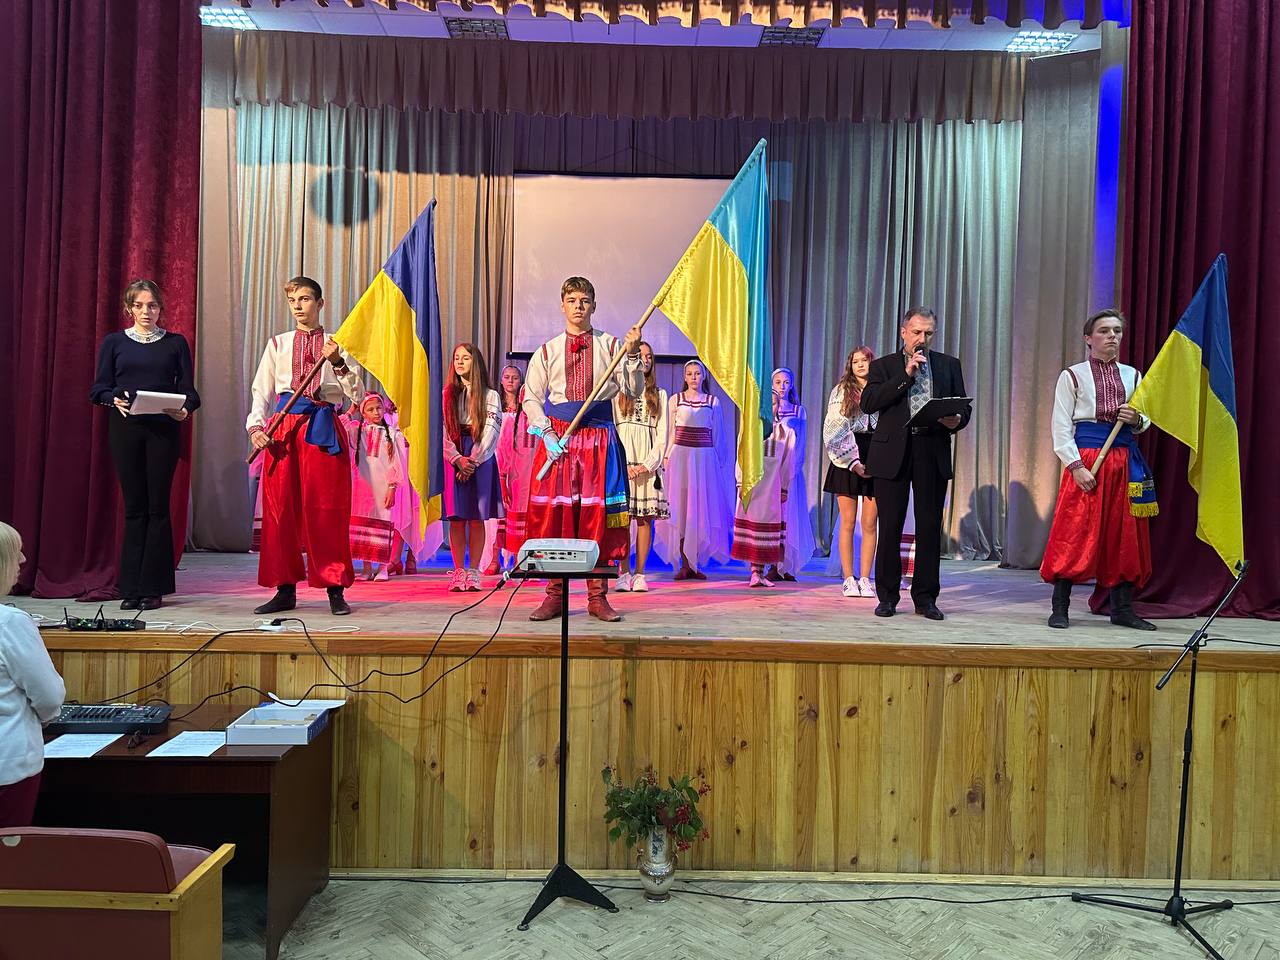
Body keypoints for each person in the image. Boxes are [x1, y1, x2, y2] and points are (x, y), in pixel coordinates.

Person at [519, 277, 643, 622]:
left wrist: (633, 354)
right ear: (562, 305)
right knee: (557, 516)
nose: (578, 306)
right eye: (572, 300)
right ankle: (555, 595)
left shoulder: (612, 345)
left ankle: (597, 597)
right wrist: (546, 433)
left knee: (597, 516)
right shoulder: (547, 350)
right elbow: (531, 398)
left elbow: (633, 390)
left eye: (585, 300)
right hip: (560, 441)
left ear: (594, 306)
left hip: (600, 440)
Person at [247, 276, 363, 616]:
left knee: (327, 509)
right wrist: (256, 427)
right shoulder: (278, 344)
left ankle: (335, 587)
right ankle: (284, 588)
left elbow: (357, 394)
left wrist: (338, 362)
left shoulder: (337, 344)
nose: (298, 306)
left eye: (305, 299)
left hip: (322, 428)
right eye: (293, 300)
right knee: (280, 508)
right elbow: (261, 391)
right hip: (284, 429)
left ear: (320, 303)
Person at [1040, 309, 1158, 630]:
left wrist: (1137, 419)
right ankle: (1060, 607)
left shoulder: (1133, 376)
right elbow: (1061, 426)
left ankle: (1122, 609)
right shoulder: (1072, 376)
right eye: (1104, 331)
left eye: (1117, 331)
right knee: (1074, 530)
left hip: (1124, 461)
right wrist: (1076, 466)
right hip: (1088, 460)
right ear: (1088, 338)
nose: (1112, 336)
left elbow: (1146, 419)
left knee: (1125, 533)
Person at [89, 280, 200, 611]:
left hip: (163, 431)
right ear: (129, 309)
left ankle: (153, 588)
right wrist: (113, 398)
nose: (146, 311)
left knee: (157, 508)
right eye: (139, 305)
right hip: (126, 430)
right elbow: (98, 389)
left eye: (152, 305)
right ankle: (131, 586)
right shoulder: (114, 342)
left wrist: (184, 409)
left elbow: (191, 394)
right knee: (135, 507)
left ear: (160, 308)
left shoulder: (175, 344)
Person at [861, 308, 969, 620]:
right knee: (890, 526)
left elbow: (963, 406)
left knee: (929, 526)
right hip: (893, 452)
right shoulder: (883, 366)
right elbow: (869, 403)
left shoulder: (949, 365)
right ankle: (887, 597)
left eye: (929, 333)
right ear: (903, 332)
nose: (923, 339)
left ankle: (925, 597)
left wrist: (957, 419)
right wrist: (905, 376)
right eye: (917, 332)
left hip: (931, 448)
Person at [0, 522, 65, 828]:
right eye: (16, 552)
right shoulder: (10, 623)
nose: (23, 560)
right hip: (8, 769)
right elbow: (48, 696)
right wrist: (49, 717)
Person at [656, 360, 733, 580]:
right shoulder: (675, 400)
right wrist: (666, 457)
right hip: (681, 459)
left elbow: (718, 434)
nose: (693, 377)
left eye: (697, 373)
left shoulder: (712, 402)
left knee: (700, 509)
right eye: (689, 374)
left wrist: (718, 461)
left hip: (704, 460)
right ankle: (684, 563)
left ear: (703, 376)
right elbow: (669, 432)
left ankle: (695, 563)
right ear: (684, 377)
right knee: (681, 509)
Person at [443, 343, 504, 592]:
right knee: (457, 519)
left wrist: (473, 460)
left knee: (477, 519)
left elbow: (491, 431)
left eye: (465, 358)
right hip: (455, 455)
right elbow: (441, 430)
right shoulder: (447, 395)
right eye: (456, 357)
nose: (459, 362)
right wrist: (457, 458)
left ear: (475, 362)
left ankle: (474, 571)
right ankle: (459, 571)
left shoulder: (490, 395)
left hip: (480, 456)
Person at [823, 347, 879, 598]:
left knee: (870, 523)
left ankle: (865, 578)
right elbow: (833, 429)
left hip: (875, 452)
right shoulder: (841, 391)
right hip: (847, 455)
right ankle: (848, 578)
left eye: (864, 360)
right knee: (847, 521)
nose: (860, 365)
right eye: (855, 361)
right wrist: (853, 461)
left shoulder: (880, 388)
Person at [613, 341, 669, 592]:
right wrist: (621, 464)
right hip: (623, 464)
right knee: (622, 519)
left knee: (645, 520)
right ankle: (623, 572)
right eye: (640, 355)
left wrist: (646, 465)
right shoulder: (618, 393)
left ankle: (640, 574)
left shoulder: (660, 394)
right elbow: (613, 430)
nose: (645, 360)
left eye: (649, 357)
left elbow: (663, 435)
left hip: (647, 466)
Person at [731, 419, 795, 588]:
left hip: (772, 486)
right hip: (752, 484)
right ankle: (755, 572)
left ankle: (760, 572)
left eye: (774, 405)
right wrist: (740, 481)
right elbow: (741, 453)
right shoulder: (750, 426)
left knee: (767, 526)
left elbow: (787, 462)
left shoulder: (785, 432)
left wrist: (784, 487)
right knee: (753, 524)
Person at [347, 394, 403, 582]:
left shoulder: (392, 434)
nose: (376, 412)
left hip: (383, 486)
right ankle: (367, 568)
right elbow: (340, 424)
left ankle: (383, 567)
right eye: (370, 409)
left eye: (379, 408)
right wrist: (351, 410)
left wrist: (392, 487)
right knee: (364, 524)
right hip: (363, 487)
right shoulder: (357, 431)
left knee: (382, 522)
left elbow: (396, 463)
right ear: (363, 413)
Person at [767, 368, 815, 581]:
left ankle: (786, 566)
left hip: (791, 472)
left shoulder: (798, 411)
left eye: (786, 382)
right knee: (772, 517)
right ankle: (771, 565)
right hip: (770, 472)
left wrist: (792, 472)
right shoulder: (767, 409)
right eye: (778, 382)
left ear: (792, 385)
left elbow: (801, 443)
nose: (782, 386)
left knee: (788, 517)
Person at [484, 364, 525, 576]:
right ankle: (494, 557)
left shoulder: (526, 408)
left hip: (519, 466)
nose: (510, 381)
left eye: (515, 377)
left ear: (520, 381)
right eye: (507, 377)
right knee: (496, 514)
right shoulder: (494, 405)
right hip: (497, 461)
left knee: (517, 509)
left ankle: (518, 557)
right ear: (501, 380)